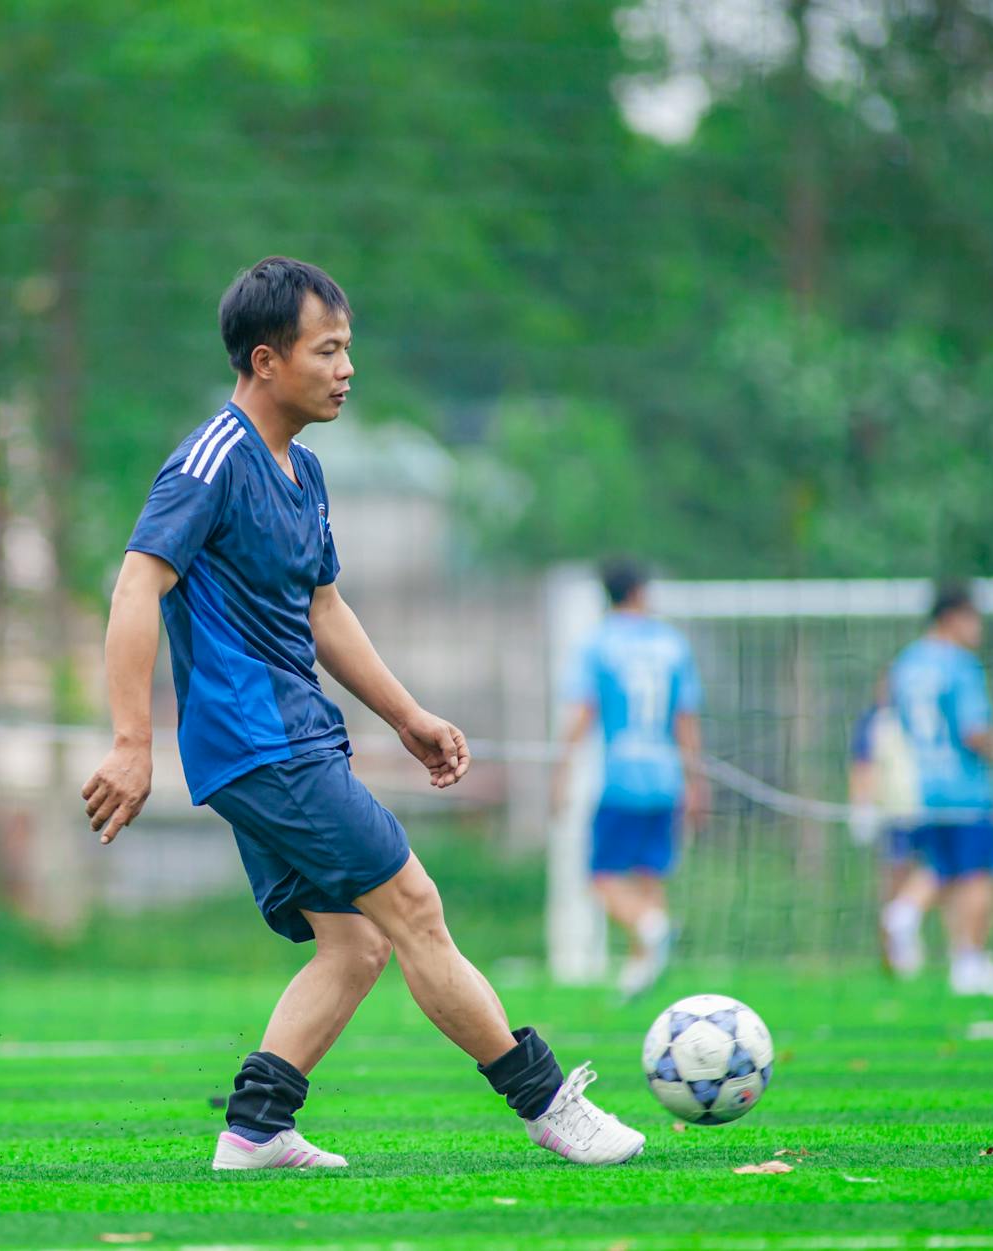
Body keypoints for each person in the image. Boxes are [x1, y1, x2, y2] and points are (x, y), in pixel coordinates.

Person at [81, 257, 644, 1172]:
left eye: (348, 349)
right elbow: (136, 586)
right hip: (261, 742)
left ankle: (254, 1130)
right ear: (267, 360)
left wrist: (407, 716)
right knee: (414, 905)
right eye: (328, 350)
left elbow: (323, 609)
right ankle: (548, 1105)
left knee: (356, 942)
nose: (347, 369)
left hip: (287, 739)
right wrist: (131, 742)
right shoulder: (209, 461)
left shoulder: (303, 471)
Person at [550, 559, 707, 1000]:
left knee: (600, 876)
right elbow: (685, 719)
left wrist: (561, 771)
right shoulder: (672, 644)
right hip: (666, 776)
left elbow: (584, 712)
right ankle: (643, 972)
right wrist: (695, 780)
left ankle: (649, 929)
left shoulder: (598, 644)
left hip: (622, 777)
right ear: (640, 591)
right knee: (649, 875)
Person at [883, 583, 993, 997]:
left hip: (927, 788)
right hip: (967, 790)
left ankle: (911, 914)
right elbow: (974, 731)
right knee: (978, 874)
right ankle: (969, 959)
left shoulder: (907, 663)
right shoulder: (960, 664)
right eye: (973, 618)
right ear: (952, 617)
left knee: (944, 870)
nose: (978, 628)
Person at [846, 669, 935, 976]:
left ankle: (909, 932)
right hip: (895, 811)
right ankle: (892, 955)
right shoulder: (874, 721)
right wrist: (862, 806)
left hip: (927, 807)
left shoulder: (919, 717)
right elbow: (863, 765)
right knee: (896, 877)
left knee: (937, 872)